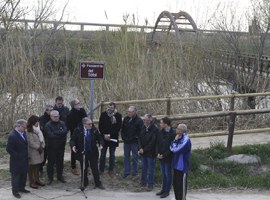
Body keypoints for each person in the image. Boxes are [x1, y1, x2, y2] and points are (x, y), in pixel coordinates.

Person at [70, 117, 105, 189]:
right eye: (89, 124)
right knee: (84, 168)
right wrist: (73, 146)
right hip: (83, 152)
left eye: (91, 124)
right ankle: (84, 183)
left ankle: (98, 183)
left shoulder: (94, 129)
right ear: (84, 124)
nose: (91, 125)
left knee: (95, 168)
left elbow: (100, 138)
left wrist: (101, 144)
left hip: (93, 152)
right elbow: (72, 140)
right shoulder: (78, 130)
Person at [6, 119, 30, 198]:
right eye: (24, 127)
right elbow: (9, 149)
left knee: (23, 174)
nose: (25, 129)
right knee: (16, 176)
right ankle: (15, 191)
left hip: (24, 159)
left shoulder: (23, 133)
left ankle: (21, 188)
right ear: (18, 126)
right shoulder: (12, 135)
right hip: (16, 160)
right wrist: (18, 156)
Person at [98, 102, 122, 176]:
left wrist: (109, 135)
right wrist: (104, 134)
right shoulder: (103, 114)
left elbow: (118, 127)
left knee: (112, 155)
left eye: (111, 107)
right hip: (104, 137)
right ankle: (101, 169)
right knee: (102, 154)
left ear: (114, 108)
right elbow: (100, 126)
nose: (110, 109)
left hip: (113, 138)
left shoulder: (118, 115)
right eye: (109, 107)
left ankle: (111, 170)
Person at [45, 110, 68, 185]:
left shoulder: (62, 123)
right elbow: (50, 136)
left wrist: (55, 132)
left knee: (60, 162)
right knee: (51, 163)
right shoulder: (48, 125)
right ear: (51, 116)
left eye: (57, 116)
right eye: (54, 116)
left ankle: (60, 176)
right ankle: (50, 178)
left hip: (61, 147)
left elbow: (65, 131)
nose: (56, 118)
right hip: (51, 147)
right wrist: (59, 133)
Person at [170, 124, 192, 200]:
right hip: (176, 164)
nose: (176, 129)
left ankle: (182, 198)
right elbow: (171, 147)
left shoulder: (186, 139)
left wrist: (175, 141)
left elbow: (175, 150)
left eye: (177, 128)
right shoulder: (178, 137)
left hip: (182, 166)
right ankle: (177, 198)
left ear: (181, 131)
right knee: (175, 184)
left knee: (181, 185)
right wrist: (175, 141)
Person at [121, 105, 143, 179]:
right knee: (126, 157)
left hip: (134, 142)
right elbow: (123, 129)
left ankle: (135, 172)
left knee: (135, 157)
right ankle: (127, 172)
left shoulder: (139, 120)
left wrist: (133, 138)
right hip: (126, 141)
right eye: (128, 112)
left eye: (130, 112)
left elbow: (140, 133)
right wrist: (123, 137)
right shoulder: (126, 119)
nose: (128, 113)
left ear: (134, 112)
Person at [156, 117, 176, 198]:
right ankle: (163, 189)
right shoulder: (160, 132)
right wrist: (157, 153)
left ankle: (167, 191)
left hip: (168, 157)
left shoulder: (173, 133)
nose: (160, 124)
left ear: (166, 124)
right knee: (163, 174)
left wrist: (164, 155)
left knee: (168, 175)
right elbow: (157, 143)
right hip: (160, 156)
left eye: (161, 123)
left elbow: (172, 147)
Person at [138, 114, 159, 191]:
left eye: (145, 120)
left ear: (149, 121)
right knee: (144, 168)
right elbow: (139, 138)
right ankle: (143, 182)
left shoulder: (155, 129)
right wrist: (140, 148)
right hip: (143, 151)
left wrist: (144, 149)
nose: (144, 121)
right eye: (143, 119)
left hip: (150, 152)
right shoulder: (143, 127)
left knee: (151, 169)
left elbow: (152, 142)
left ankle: (150, 184)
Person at [66, 99, 87, 175]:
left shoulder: (82, 110)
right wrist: (78, 131)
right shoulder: (70, 114)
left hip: (84, 131)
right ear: (74, 105)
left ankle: (86, 167)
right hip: (75, 134)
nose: (80, 103)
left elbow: (86, 120)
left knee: (86, 149)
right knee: (74, 150)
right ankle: (73, 167)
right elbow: (71, 126)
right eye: (78, 103)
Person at [26, 115, 46, 189]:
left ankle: (37, 180)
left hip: (39, 151)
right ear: (33, 122)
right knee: (31, 167)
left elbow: (42, 139)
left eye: (38, 121)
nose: (38, 123)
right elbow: (31, 142)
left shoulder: (38, 129)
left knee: (37, 166)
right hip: (33, 152)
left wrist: (42, 146)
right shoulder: (29, 130)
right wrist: (38, 148)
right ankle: (31, 182)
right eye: (37, 121)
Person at [39, 104, 54, 174]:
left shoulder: (54, 117)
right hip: (44, 139)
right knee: (44, 156)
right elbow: (43, 129)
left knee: (52, 156)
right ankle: (40, 169)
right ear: (46, 111)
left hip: (53, 140)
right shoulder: (42, 118)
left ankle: (51, 170)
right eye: (50, 110)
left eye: (52, 110)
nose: (52, 111)